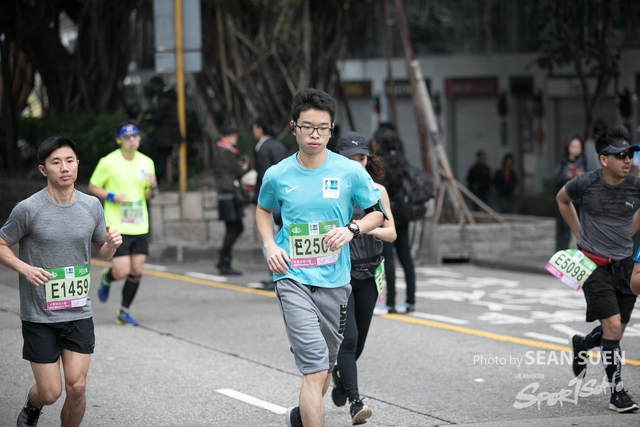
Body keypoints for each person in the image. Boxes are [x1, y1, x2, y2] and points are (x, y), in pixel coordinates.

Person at [255, 88, 385, 427]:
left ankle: (300, 417)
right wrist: (270, 245)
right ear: (293, 127)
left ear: (331, 130)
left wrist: (352, 229)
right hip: (292, 276)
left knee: (325, 368)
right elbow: (263, 209)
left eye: (323, 128)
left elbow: (378, 214)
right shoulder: (278, 174)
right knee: (314, 368)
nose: (315, 134)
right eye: (308, 127)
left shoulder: (349, 171)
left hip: (336, 281)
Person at [0, 136, 122, 427]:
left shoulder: (91, 206)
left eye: (69, 161)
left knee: (77, 388)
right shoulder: (28, 209)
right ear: (44, 169)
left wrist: (111, 245)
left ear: (77, 164)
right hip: (39, 314)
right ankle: (33, 404)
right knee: (50, 392)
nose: (64, 168)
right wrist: (25, 268)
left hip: (78, 310)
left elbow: (102, 251)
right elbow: (2, 244)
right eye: (56, 162)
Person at [558, 125, 640, 413]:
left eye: (629, 154)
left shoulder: (636, 185)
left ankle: (582, 343)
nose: (627, 160)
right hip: (592, 265)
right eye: (620, 155)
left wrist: (629, 232)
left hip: (625, 266)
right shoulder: (586, 183)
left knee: (616, 330)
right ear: (604, 159)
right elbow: (562, 199)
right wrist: (579, 233)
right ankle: (617, 394)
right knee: (613, 326)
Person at [330, 131, 396, 425]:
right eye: (350, 159)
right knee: (349, 339)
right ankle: (356, 403)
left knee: (360, 344)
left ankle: (340, 376)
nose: (357, 163)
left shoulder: (377, 191)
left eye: (361, 158)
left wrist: (361, 227)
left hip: (369, 273)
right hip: (341, 274)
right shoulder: (332, 192)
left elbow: (391, 233)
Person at [88, 121, 158, 327]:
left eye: (135, 136)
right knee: (122, 271)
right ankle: (108, 278)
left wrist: (153, 187)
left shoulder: (147, 162)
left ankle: (123, 312)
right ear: (119, 140)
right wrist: (112, 196)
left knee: (136, 270)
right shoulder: (108, 162)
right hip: (117, 225)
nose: (132, 140)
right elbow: (93, 186)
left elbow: (148, 194)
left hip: (140, 224)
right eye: (127, 137)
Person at [370, 128, 417, 314]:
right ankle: (410, 301)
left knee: (388, 258)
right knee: (405, 257)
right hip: (404, 214)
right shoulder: (402, 161)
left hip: (387, 214)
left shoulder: (379, 164)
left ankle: (390, 303)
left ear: (379, 143)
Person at [252, 115, 287, 290]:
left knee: (269, 238)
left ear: (259, 129)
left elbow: (264, 177)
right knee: (280, 236)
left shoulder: (262, 148)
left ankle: (273, 276)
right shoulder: (279, 145)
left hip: (269, 202)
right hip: (284, 199)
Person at [213, 123, 249, 276]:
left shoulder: (220, 151)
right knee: (236, 228)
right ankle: (224, 262)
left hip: (225, 195)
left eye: (234, 134)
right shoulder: (225, 152)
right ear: (222, 136)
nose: (234, 137)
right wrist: (243, 167)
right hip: (229, 194)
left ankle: (223, 260)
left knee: (232, 229)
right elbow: (239, 171)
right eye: (230, 135)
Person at [145, 76, 181, 183]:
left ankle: (156, 182)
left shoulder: (163, 98)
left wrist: (151, 116)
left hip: (165, 135)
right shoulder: (168, 95)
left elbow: (159, 116)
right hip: (170, 134)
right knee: (163, 158)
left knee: (161, 159)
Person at [553, 136, 587, 251]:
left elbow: (591, 177)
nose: (576, 149)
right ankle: (562, 251)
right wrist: (566, 176)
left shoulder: (584, 160)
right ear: (567, 147)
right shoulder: (562, 161)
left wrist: (580, 175)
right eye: (573, 146)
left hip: (581, 200)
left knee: (583, 228)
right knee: (564, 228)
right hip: (566, 199)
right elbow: (556, 178)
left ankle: (585, 251)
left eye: (578, 146)